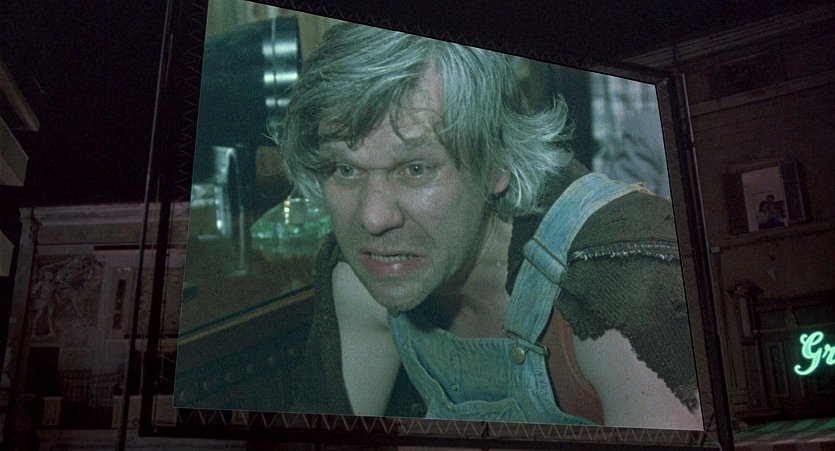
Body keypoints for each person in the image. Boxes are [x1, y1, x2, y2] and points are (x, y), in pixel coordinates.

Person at [277, 22, 701, 429]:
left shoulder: (625, 280)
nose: (373, 218)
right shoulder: (366, 275)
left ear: (497, 161)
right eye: (345, 169)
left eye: (416, 169)